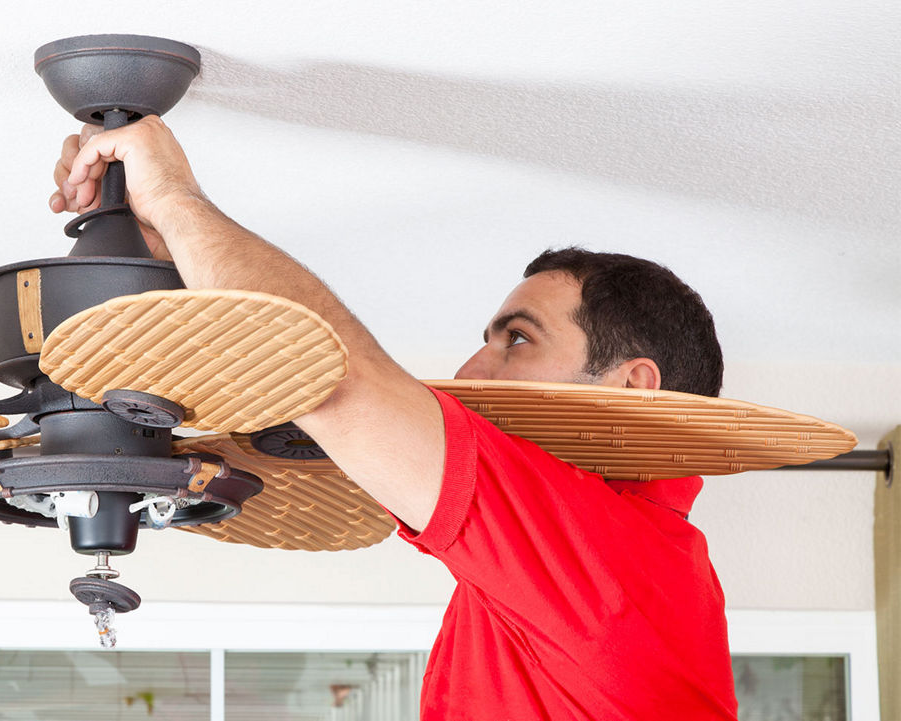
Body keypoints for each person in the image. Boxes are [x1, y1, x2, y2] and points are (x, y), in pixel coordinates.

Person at [50, 116, 739, 720]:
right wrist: (178, 243)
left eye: (519, 339)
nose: (470, 374)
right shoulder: (592, 571)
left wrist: (175, 199)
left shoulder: (615, 562)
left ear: (633, 386)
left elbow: (327, 377)